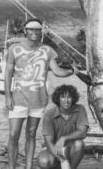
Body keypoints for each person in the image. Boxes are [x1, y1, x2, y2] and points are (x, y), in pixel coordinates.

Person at [5, 18, 78, 169]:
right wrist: (7, 96)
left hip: (39, 100)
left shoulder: (47, 50)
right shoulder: (14, 48)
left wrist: (72, 71)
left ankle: (28, 167)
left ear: (41, 32)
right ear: (25, 31)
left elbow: (57, 71)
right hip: (18, 99)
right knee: (13, 135)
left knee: (31, 134)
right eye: (31, 29)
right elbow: (8, 73)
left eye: (38, 29)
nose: (34, 32)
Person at [37, 84, 89, 169]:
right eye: (63, 97)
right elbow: (48, 142)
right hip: (53, 148)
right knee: (43, 161)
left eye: (69, 97)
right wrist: (62, 160)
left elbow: (83, 132)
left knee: (79, 144)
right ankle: (61, 164)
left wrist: (64, 138)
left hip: (70, 148)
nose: (66, 101)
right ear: (58, 99)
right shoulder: (49, 114)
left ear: (73, 99)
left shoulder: (80, 109)